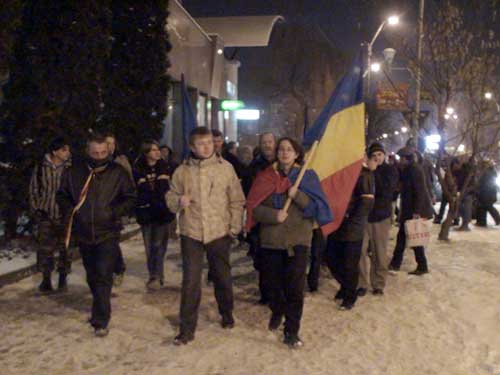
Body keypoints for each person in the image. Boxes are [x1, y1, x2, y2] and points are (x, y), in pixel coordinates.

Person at [246, 137, 332, 348]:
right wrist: (273, 215)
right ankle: (277, 309)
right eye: (281, 149)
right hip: (271, 241)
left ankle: (291, 332)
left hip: (297, 241)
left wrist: (299, 195)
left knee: (295, 288)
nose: (285, 153)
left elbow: (318, 208)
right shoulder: (265, 177)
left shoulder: (307, 177)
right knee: (272, 286)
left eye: (289, 149)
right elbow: (254, 208)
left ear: (296, 154)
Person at [166, 127, 245, 345]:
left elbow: (237, 200)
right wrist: (177, 201)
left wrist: (234, 227)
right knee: (190, 281)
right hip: (191, 232)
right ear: (192, 147)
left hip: (219, 232)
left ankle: (226, 313)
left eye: (209, 142)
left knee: (222, 277)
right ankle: (186, 328)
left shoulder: (226, 168)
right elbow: (170, 197)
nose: (207, 147)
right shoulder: (182, 171)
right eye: (201, 144)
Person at [57, 134, 136, 337]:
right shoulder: (74, 172)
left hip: (107, 232)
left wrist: (114, 212)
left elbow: (130, 197)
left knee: (103, 275)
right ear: (87, 152)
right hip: (84, 233)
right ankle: (99, 303)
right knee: (92, 275)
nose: (99, 157)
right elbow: (62, 195)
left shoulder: (117, 173)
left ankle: (101, 319)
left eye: (103, 153)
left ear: (108, 152)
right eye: (95, 153)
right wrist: (71, 211)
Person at [326, 156, 376, 310]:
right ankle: (346, 285)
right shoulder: (339, 171)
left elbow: (366, 203)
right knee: (332, 258)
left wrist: (350, 219)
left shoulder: (363, 174)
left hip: (352, 226)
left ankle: (349, 295)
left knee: (349, 264)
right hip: (336, 223)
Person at [29, 137, 72, 292]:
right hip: (46, 212)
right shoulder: (41, 167)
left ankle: (63, 278)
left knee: (65, 247)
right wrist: (36, 209)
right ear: (55, 151)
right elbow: (34, 189)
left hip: (65, 213)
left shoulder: (70, 167)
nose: (67, 153)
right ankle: (46, 279)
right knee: (45, 248)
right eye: (64, 150)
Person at [133, 140, 176, 290]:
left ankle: (156, 276)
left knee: (158, 245)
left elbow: (163, 191)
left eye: (158, 149)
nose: (157, 152)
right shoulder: (138, 169)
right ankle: (154, 274)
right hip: (146, 213)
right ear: (146, 153)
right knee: (149, 247)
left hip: (162, 213)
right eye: (153, 150)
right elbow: (140, 193)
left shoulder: (164, 167)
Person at [357, 143, 399, 297]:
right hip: (363, 217)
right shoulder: (363, 171)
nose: (376, 158)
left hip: (380, 217)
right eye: (373, 155)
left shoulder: (390, 170)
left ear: (384, 156)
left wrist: (374, 173)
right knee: (359, 251)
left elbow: (387, 190)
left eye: (379, 155)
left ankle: (378, 283)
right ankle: (361, 283)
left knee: (379, 253)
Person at [389, 147, 434, 275]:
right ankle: (397, 263)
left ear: (405, 158)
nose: (399, 160)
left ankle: (418, 265)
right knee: (406, 237)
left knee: (413, 238)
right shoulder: (408, 169)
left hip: (414, 211)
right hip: (409, 210)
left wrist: (416, 211)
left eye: (400, 158)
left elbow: (420, 192)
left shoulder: (415, 170)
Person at [246, 132, 277, 304]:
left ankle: (277, 292)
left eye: (270, 141)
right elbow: (248, 189)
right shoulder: (255, 166)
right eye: (264, 142)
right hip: (259, 217)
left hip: (278, 215)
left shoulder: (282, 163)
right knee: (261, 258)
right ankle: (265, 293)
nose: (267, 145)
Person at [105, 134, 133, 286]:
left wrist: (124, 209)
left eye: (112, 143)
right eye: (107, 143)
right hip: (100, 209)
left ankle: (118, 267)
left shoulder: (121, 162)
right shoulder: (96, 162)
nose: (110, 146)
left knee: (112, 242)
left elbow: (129, 187)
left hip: (115, 209)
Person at [476, 161, 500, 227]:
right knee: (485, 207)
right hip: (489, 193)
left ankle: (483, 222)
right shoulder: (491, 172)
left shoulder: (486, 173)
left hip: (486, 193)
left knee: (486, 207)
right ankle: (482, 222)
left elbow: (483, 183)